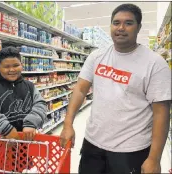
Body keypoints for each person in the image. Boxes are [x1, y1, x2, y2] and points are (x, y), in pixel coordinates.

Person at [60, 3, 171, 174]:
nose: (121, 28)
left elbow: (161, 113)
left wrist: (154, 159)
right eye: (116, 22)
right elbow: (80, 90)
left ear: (139, 27)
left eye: (128, 23)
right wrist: (68, 124)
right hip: (93, 145)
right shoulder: (97, 56)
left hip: (131, 150)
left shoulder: (155, 64)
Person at [0, 46, 47, 141]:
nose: (12, 70)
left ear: (21, 65)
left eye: (16, 65)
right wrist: (5, 129)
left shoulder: (29, 86)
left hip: (25, 143)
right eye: (6, 67)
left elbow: (40, 104)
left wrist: (31, 122)